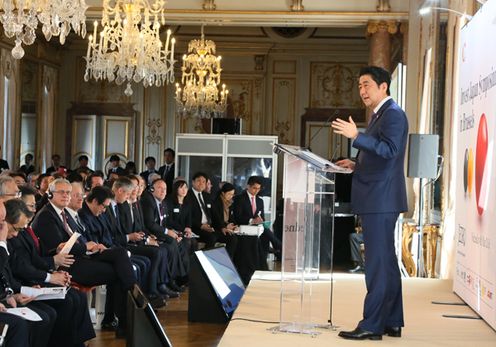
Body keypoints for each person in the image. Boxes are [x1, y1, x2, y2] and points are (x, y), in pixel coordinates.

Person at [331, 66, 408, 340]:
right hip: (379, 196)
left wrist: (356, 136)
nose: (362, 90)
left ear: (383, 86)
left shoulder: (393, 114)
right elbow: (381, 155)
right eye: (360, 85)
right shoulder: (382, 115)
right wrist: (357, 163)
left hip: (381, 198)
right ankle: (391, 320)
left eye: (367, 85)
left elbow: (390, 151)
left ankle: (372, 325)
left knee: (376, 263)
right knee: (385, 262)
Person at [233, 175, 281, 269]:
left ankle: (264, 263)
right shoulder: (240, 199)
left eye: (258, 189)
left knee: (265, 232)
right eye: (254, 188)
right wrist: (251, 220)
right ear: (248, 186)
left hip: (256, 227)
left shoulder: (259, 201)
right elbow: (237, 217)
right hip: (244, 226)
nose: (256, 191)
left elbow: (261, 217)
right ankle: (278, 246)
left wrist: (261, 221)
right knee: (266, 232)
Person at [210, 182, 239, 259]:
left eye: (232, 194)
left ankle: (235, 262)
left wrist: (233, 225)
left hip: (226, 227)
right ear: (223, 193)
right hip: (217, 228)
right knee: (232, 239)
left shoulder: (230, 203)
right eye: (229, 194)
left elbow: (232, 218)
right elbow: (216, 218)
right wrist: (225, 226)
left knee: (239, 238)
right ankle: (227, 261)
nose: (231, 196)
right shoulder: (216, 202)